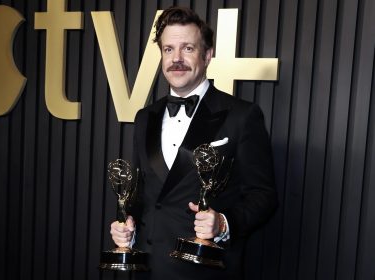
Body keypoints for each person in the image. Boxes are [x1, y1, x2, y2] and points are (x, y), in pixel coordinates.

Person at [110, 6, 277, 280]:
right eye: (168, 49)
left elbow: (263, 196)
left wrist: (223, 223)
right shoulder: (145, 117)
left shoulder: (242, 116)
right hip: (149, 268)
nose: (176, 59)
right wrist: (126, 222)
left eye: (187, 48)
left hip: (206, 271)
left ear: (207, 55)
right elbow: (141, 191)